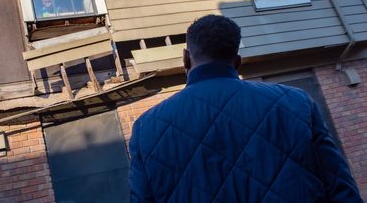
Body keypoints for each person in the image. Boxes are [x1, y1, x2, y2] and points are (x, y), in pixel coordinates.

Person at [129, 15, 362, 202]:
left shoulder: (146, 128)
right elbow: (342, 189)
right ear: (237, 60)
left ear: (186, 59)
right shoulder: (296, 102)